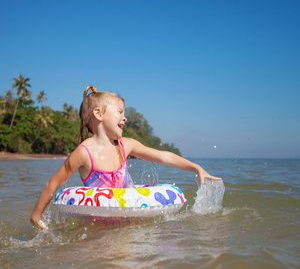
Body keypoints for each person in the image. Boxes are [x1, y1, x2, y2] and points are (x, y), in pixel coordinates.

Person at [31, 85, 221, 229]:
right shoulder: (84, 153)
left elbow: (164, 157)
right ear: (98, 114)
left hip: (130, 221)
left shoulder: (126, 145)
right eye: (120, 112)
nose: (125, 118)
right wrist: (36, 216)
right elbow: (53, 183)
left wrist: (196, 168)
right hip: (99, 227)